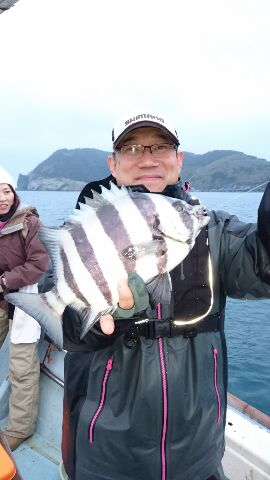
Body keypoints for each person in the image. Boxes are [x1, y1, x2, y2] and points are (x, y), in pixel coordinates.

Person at [61, 111, 270, 480]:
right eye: (132, 147)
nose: (147, 158)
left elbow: (263, 265)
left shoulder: (214, 229)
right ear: (113, 162)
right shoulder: (81, 235)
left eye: (160, 146)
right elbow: (60, 323)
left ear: (179, 160)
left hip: (199, 454)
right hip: (107, 456)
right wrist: (100, 320)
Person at [0, 166, 49, 451]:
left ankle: (19, 429)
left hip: (27, 299)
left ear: (14, 193)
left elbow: (39, 264)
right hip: (2, 299)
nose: (2, 199)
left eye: (6, 191)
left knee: (21, 367)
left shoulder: (29, 223)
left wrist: (6, 280)